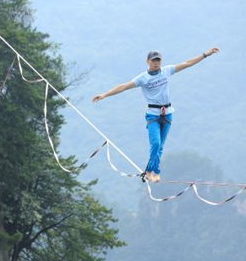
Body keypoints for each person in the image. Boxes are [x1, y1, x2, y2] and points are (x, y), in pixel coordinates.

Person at [92, 47, 220, 183]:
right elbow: (123, 87)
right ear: (148, 61)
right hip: (153, 115)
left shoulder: (167, 71)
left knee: (161, 145)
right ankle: (150, 171)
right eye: (153, 60)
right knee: (156, 143)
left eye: (158, 60)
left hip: (167, 113)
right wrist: (105, 95)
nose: (156, 63)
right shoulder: (143, 78)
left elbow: (187, 63)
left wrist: (206, 54)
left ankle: (155, 170)